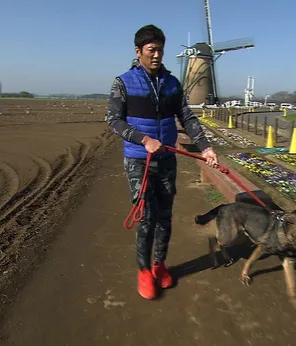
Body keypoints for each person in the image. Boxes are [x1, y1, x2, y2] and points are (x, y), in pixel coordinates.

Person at [106, 24, 219, 300]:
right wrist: (144, 140)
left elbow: (187, 118)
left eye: (160, 50)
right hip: (138, 161)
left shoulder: (172, 83)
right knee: (147, 217)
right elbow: (113, 121)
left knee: (165, 218)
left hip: (168, 158)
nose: (157, 55)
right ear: (138, 51)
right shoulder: (123, 82)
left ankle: (159, 265)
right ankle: (143, 272)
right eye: (151, 50)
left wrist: (205, 147)